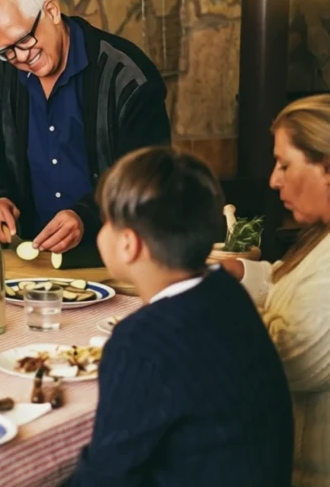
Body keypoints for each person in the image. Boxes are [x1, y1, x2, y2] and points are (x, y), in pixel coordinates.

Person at [66, 146, 293, 486]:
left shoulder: (140, 341)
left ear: (128, 244)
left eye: (106, 220)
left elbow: (105, 478)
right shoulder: (226, 293)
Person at [0, 0, 170, 255]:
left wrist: (85, 216)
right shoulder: (6, 74)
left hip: (118, 254)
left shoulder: (128, 75)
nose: (21, 57)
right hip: (35, 255)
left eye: (24, 40)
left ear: (51, 11)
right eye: (7, 51)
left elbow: (148, 176)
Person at [221, 95, 330, 487]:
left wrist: (204, 316)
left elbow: (286, 361)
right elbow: (290, 283)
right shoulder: (320, 235)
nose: (273, 180)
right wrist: (236, 272)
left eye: (284, 165)